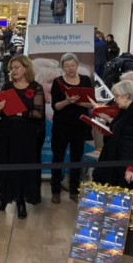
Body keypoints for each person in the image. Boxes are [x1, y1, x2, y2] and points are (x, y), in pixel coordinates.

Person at [0, 56, 45, 219]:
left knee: (21, 166)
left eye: (16, 67)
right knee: (4, 163)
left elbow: (38, 113)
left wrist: (21, 112)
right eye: (11, 68)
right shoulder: (7, 86)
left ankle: (21, 201)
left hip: (26, 133)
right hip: (6, 131)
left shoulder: (36, 87)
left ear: (26, 69)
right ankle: (3, 199)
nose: (13, 70)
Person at [50, 53, 93, 203]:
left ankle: (74, 189)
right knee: (58, 158)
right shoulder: (58, 82)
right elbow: (55, 106)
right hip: (61, 125)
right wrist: (68, 101)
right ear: (63, 67)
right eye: (67, 66)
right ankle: (55, 189)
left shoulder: (86, 80)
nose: (70, 68)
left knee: (76, 158)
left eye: (73, 65)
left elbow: (91, 104)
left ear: (77, 65)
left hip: (80, 125)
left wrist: (78, 102)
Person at [92, 80, 133, 190]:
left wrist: (132, 168)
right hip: (113, 158)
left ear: (126, 95)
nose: (114, 99)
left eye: (117, 96)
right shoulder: (124, 110)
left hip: (125, 162)